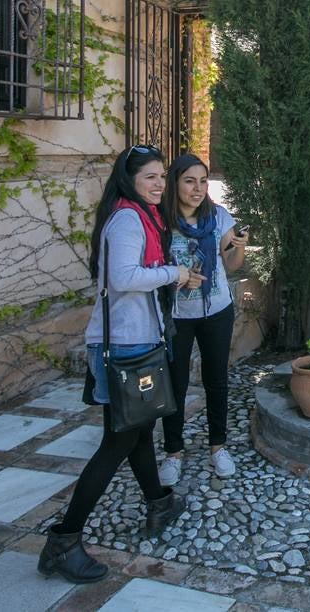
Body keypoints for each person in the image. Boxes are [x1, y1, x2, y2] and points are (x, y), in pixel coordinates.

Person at [38, 145, 200, 583]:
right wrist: (175, 274)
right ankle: (64, 539)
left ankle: (159, 503)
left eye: (161, 176)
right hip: (126, 347)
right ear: (129, 180)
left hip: (139, 341)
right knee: (117, 442)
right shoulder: (128, 219)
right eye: (150, 176)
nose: (158, 184)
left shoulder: (140, 215)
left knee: (139, 431)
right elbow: (123, 278)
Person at [157, 153, 247, 485]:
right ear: (175, 183)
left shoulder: (218, 216)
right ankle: (173, 453)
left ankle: (218, 448)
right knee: (175, 384)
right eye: (189, 181)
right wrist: (178, 278)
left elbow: (233, 264)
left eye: (203, 181)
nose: (197, 189)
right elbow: (154, 269)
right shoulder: (161, 222)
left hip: (216, 310)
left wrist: (238, 246)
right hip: (177, 315)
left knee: (216, 380)